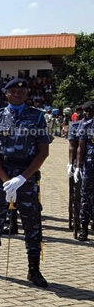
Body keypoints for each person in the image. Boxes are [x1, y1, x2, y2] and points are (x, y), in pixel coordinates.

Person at [0, 78, 50, 288]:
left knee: (32, 223)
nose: (17, 94)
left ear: (27, 94)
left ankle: (34, 270)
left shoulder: (37, 118)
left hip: (26, 176)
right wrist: (6, 180)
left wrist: (21, 178)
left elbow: (43, 151)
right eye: (13, 91)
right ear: (6, 93)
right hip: (1, 176)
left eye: (22, 91)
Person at [74, 101, 94, 241]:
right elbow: (81, 147)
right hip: (90, 166)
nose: (86, 113)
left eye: (89, 111)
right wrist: (78, 166)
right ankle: (84, 227)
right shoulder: (86, 125)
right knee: (86, 197)